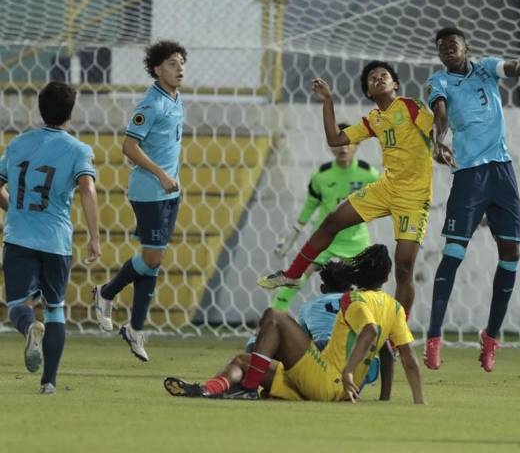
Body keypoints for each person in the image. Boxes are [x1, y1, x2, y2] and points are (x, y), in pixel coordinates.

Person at [423, 23, 520, 373]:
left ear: (466, 47)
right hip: (469, 174)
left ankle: (491, 337)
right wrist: (439, 141)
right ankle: (434, 337)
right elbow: (440, 114)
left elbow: (518, 69)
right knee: (454, 253)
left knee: (511, 252)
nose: (447, 49)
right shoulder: (438, 81)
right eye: (441, 47)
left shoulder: (486, 68)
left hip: (502, 171)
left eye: (452, 43)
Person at [258, 61, 434, 316]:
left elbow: (435, 128)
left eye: (384, 75)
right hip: (386, 188)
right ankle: (293, 274)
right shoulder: (374, 119)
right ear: (368, 92)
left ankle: (398, 333)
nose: (378, 78)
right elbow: (335, 139)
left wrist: (441, 145)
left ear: (395, 84)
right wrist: (328, 101)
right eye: (372, 77)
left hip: (414, 198)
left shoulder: (410, 106)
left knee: (404, 269)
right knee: (331, 221)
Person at [164, 244, 424, 404]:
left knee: (275, 317)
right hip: (326, 385)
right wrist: (416, 402)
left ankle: (248, 389)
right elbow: (406, 358)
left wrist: (347, 372)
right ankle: (207, 390)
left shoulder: (353, 299)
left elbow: (369, 330)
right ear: (386, 278)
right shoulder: (395, 308)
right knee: (244, 361)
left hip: (328, 378)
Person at [0, 82, 101, 394]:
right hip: (56, 241)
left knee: (18, 304)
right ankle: (49, 383)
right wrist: (94, 236)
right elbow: (87, 189)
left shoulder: (18, 144)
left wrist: (13, 207)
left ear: (40, 110)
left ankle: (30, 327)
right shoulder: (78, 150)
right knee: (55, 308)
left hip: (19, 238)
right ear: (71, 113)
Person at [92, 41, 186, 362]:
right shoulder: (151, 105)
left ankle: (135, 327)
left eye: (182, 62)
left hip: (171, 192)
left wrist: (172, 180)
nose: (180, 68)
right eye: (172, 63)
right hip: (149, 192)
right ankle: (106, 293)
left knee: (153, 260)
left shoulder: (176, 99)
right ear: (157, 69)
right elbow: (129, 147)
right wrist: (161, 174)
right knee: (153, 257)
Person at [269, 122, 379, 311]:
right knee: (297, 276)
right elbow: (309, 206)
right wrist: (291, 238)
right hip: (325, 237)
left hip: (355, 240)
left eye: (349, 142)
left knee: (371, 285)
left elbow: (380, 203)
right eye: (339, 143)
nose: (343, 148)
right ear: (331, 146)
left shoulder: (369, 175)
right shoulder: (321, 175)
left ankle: (379, 321)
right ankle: (274, 315)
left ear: (357, 144)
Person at [245, 258, 393, 398]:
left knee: (258, 342)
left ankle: (262, 384)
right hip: (360, 365)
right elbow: (386, 351)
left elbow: (302, 345)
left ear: (323, 288)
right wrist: (384, 397)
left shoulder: (308, 307)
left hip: (324, 353)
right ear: (351, 289)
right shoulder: (362, 305)